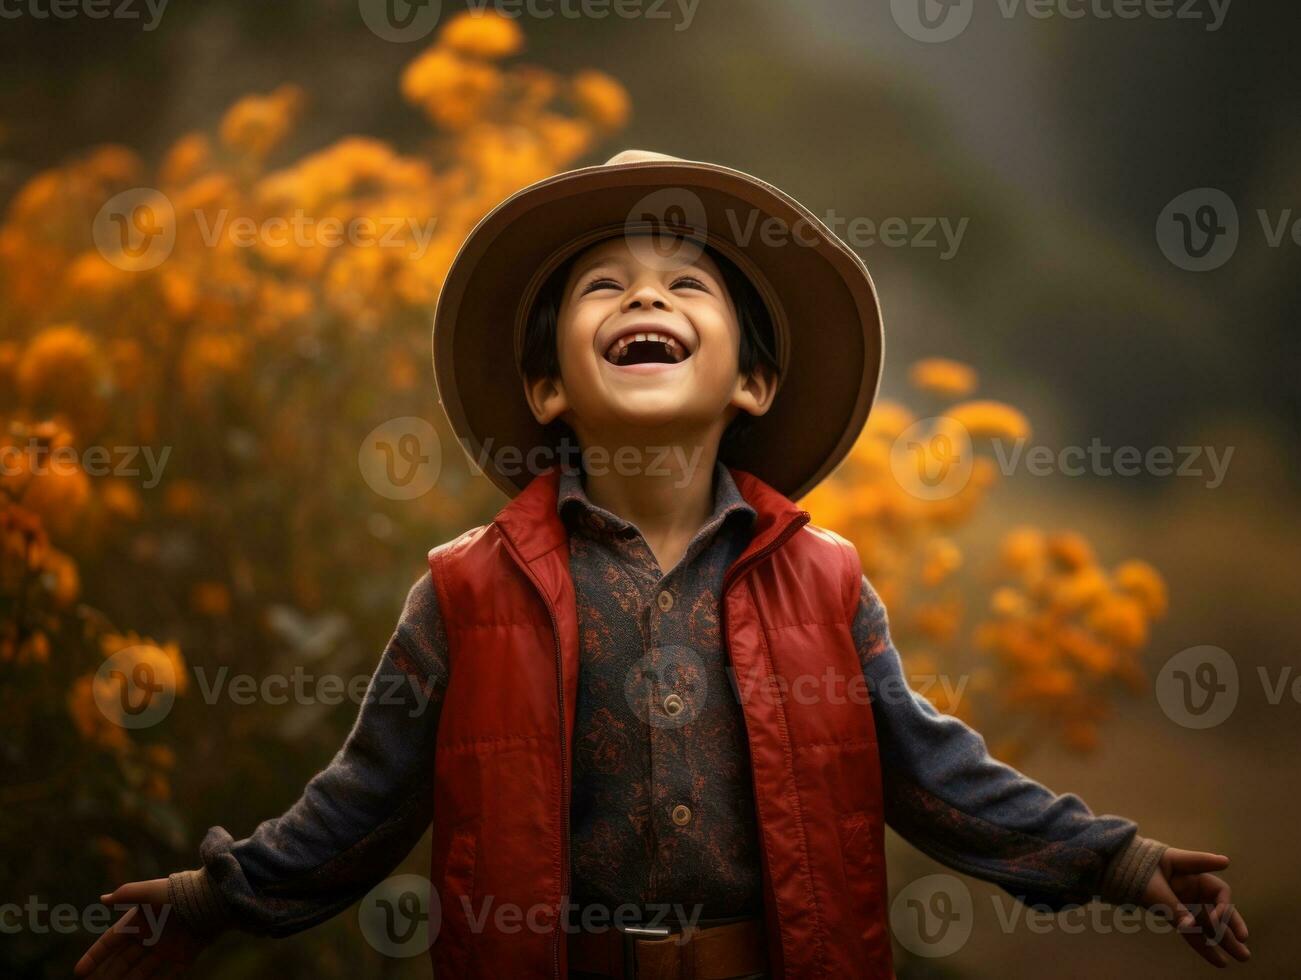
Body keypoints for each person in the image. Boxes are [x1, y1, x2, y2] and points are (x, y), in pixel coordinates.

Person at [76, 150, 1249, 979]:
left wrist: (1119, 858)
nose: (646, 292)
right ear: (547, 388)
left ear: (751, 383)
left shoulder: (827, 583)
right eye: (605, 286)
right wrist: (209, 897)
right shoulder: (464, 592)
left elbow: (937, 774)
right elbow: (361, 802)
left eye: (688, 285)